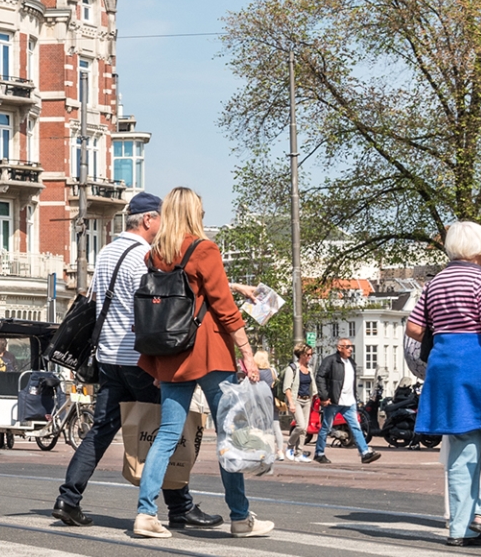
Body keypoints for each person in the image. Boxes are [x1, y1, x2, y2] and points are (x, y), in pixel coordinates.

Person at [52, 193, 221, 530]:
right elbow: (153, 311)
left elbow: (101, 303)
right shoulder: (144, 256)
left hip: (108, 358)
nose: (164, 227)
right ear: (148, 220)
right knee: (168, 430)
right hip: (138, 359)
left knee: (102, 430)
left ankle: (68, 498)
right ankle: (179, 506)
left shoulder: (107, 253)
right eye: (160, 219)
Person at [132, 187, 272, 539]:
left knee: (166, 435)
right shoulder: (204, 249)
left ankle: (145, 514)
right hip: (208, 353)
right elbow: (223, 307)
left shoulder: (155, 255)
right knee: (229, 434)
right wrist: (246, 353)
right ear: (193, 213)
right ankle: (240, 517)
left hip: (171, 354)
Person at [406, 221, 481, 547]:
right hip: (480, 367)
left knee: (463, 445)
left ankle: (462, 529)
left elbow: (414, 329)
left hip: (445, 368)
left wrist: (446, 333)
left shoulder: (435, 283)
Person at [314, 339, 382, 464]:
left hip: (349, 401)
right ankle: (319, 453)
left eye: (352, 347)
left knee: (356, 426)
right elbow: (320, 377)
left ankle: (365, 453)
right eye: (348, 347)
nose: (351, 349)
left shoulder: (351, 362)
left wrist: (355, 398)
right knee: (326, 427)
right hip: (334, 401)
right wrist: (324, 397)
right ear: (339, 348)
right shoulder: (330, 360)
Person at [274, 343, 317, 462]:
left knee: (304, 429)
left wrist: (315, 397)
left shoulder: (309, 369)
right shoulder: (292, 368)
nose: (310, 356)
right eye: (308, 354)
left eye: (311, 354)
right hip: (296, 400)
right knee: (301, 426)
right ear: (301, 355)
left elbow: (312, 386)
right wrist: (291, 403)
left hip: (307, 400)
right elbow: (287, 387)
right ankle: (290, 445)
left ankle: (299, 453)